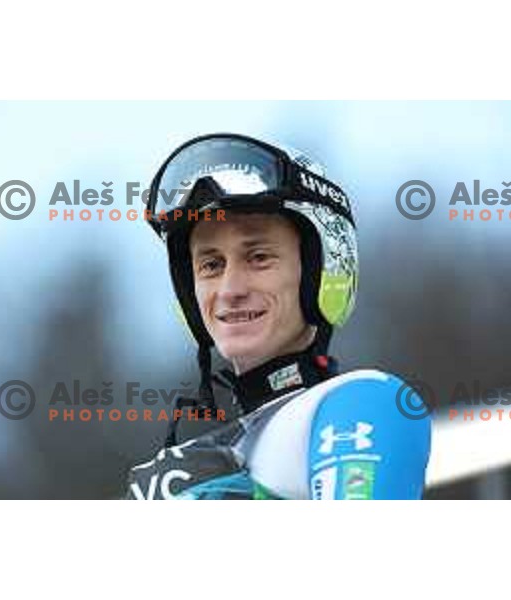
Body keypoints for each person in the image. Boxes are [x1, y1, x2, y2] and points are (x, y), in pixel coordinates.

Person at [125, 133, 431, 500]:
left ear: (320, 271)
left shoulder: (364, 400)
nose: (229, 289)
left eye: (258, 258)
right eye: (211, 264)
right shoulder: (187, 462)